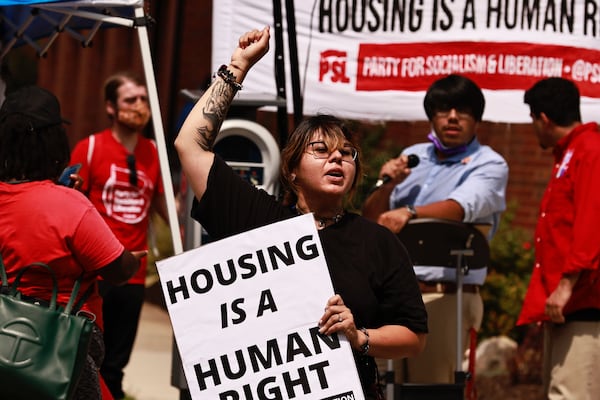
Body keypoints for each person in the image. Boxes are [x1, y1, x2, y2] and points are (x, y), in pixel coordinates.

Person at [174, 26, 427, 399]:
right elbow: (189, 145)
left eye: (347, 153)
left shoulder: (377, 242)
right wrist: (238, 67)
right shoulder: (256, 220)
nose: (338, 158)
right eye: (322, 150)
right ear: (291, 170)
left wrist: (360, 337)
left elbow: (413, 337)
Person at [362, 74, 509, 384]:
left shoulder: (490, 164)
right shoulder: (413, 156)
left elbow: (460, 208)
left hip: (445, 297)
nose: (453, 117)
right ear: (432, 117)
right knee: (383, 389)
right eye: (443, 110)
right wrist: (386, 183)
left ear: (476, 119)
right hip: (394, 295)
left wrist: (410, 211)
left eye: (463, 111)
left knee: (432, 391)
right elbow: (373, 221)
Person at [0, 85, 144, 399]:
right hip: (59, 357)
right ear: (54, 141)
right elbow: (118, 270)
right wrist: (134, 257)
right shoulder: (70, 206)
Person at [69, 72, 168, 400]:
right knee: (83, 360)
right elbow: (70, 206)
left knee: (115, 365)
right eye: (130, 100)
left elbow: (163, 206)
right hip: (95, 273)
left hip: (134, 275)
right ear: (111, 108)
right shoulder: (91, 147)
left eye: (142, 99)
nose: (139, 106)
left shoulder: (153, 153)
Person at [517, 77, 600, 400]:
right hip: (565, 304)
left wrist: (566, 285)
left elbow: (592, 222)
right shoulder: (571, 153)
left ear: (543, 118)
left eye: (532, 120)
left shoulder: (590, 150)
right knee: (559, 392)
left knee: (571, 395)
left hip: (583, 301)